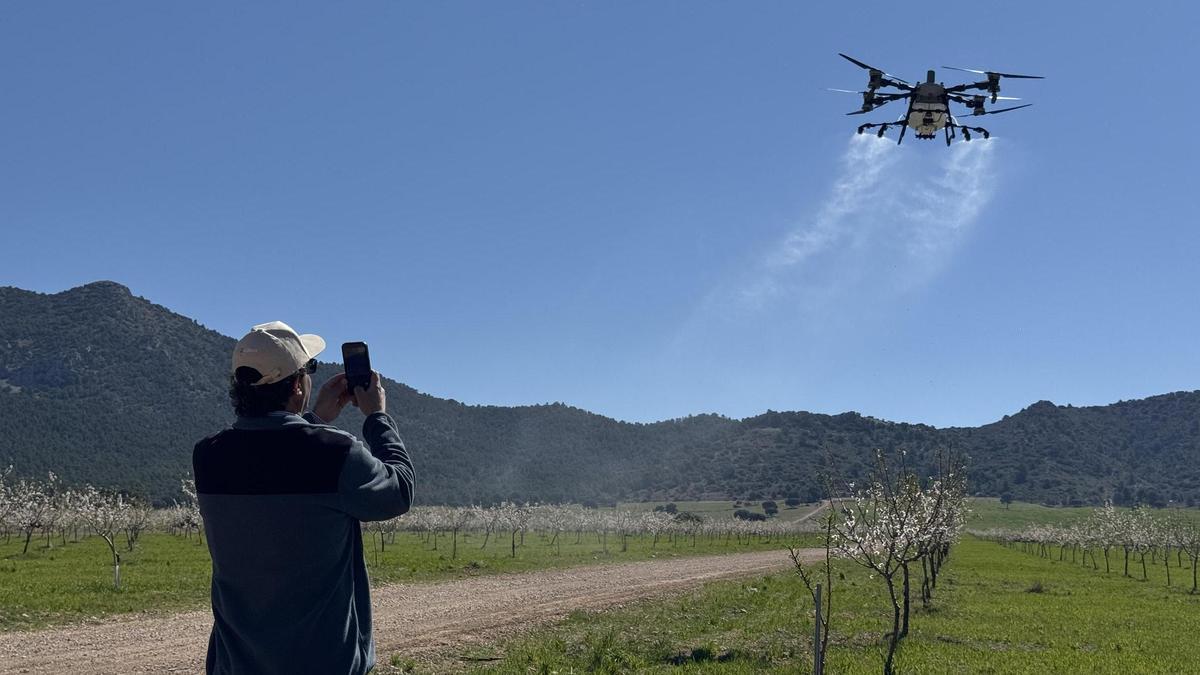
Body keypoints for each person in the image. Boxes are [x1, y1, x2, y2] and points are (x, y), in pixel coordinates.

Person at [193, 321, 414, 674]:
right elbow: (399, 491)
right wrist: (377, 417)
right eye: (308, 369)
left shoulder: (207, 456)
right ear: (298, 385)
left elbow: (270, 460)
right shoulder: (335, 453)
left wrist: (313, 418)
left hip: (236, 665)